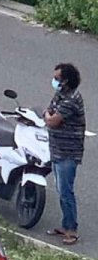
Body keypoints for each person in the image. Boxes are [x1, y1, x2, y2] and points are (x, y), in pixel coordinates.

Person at [45, 63, 86, 245]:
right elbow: (49, 110)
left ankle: (72, 230)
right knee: (61, 190)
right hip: (57, 149)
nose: (54, 81)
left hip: (68, 153)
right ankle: (65, 224)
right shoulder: (61, 95)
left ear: (66, 80)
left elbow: (52, 119)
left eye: (57, 79)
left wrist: (48, 117)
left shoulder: (71, 99)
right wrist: (49, 115)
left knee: (66, 191)